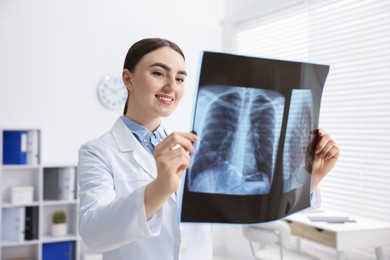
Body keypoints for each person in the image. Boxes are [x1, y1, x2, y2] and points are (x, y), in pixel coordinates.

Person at [77, 38, 340, 260]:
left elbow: (255, 203)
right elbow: (94, 233)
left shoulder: (195, 145)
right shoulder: (98, 152)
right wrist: (159, 187)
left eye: (180, 78)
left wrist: (311, 176)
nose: (171, 86)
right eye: (158, 73)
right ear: (128, 79)